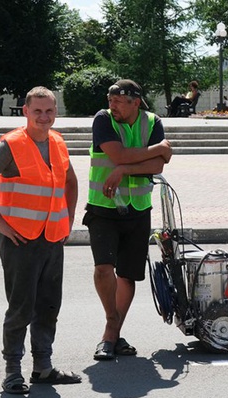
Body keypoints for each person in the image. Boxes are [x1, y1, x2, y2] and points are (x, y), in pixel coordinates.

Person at [0, 86, 81, 394]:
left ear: (56, 112)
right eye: (38, 111)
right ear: (26, 112)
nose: (44, 117)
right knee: (21, 308)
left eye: (49, 111)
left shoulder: (58, 142)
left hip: (52, 238)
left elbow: (70, 182)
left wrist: (68, 219)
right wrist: (0, 225)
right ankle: (12, 372)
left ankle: (43, 368)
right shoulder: (12, 144)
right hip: (20, 240)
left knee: (47, 306)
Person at [85, 79, 172, 360]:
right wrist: (155, 150)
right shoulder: (103, 119)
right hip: (104, 207)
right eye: (110, 100)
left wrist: (123, 168)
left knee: (128, 275)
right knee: (103, 269)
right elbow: (122, 154)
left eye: (118, 101)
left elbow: (158, 166)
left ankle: (111, 336)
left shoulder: (152, 122)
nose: (112, 105)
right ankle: (112, 328)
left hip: (138, 209)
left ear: (136, 102)